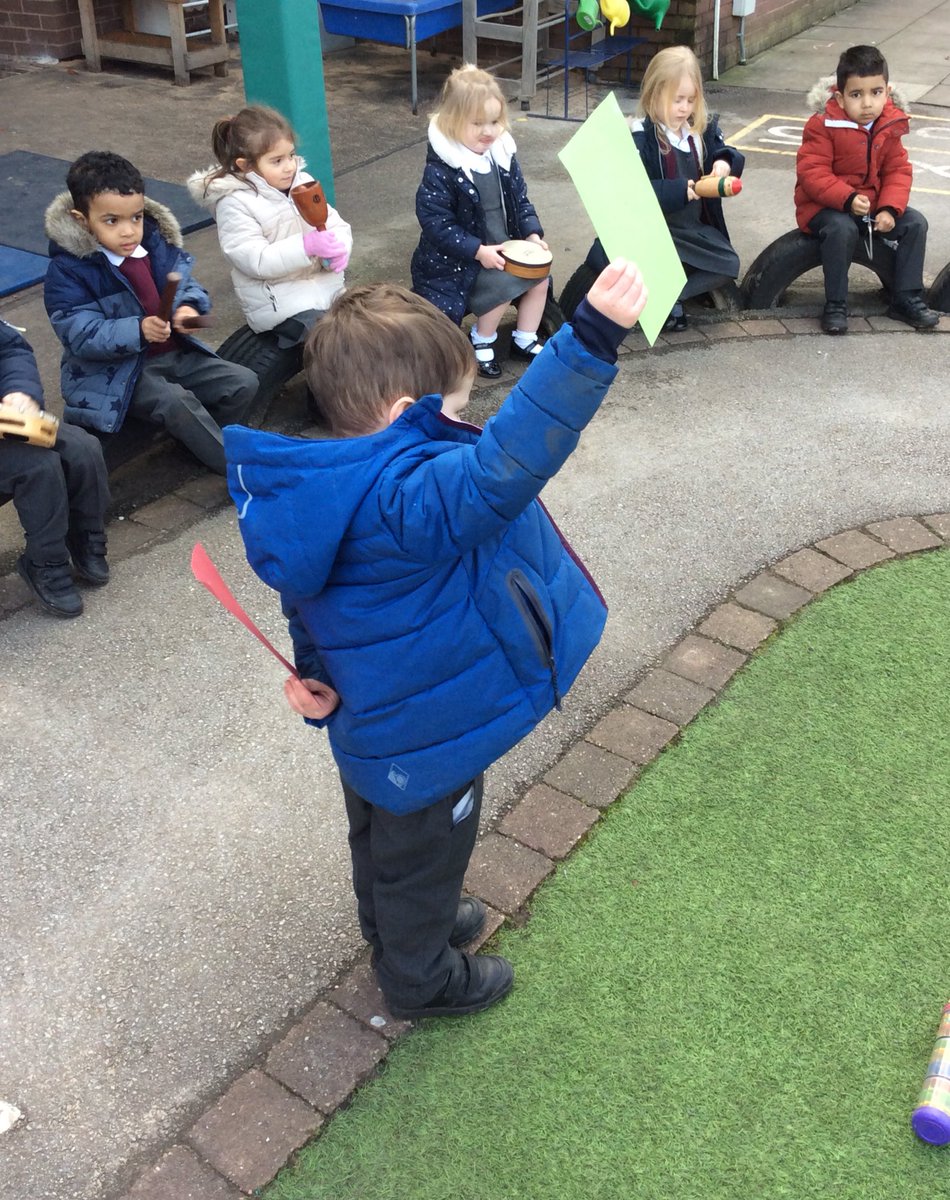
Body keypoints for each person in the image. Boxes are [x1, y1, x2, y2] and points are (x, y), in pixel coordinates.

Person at [224, 260, 647, 1020]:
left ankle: (395, 930)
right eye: (453, 406)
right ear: (399, 412)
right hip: (426, 740)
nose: (466, 419)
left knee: (387, 846)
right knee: (424, 855)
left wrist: (312, 675)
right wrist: (587, 341)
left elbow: (309, 604)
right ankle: (420, 979)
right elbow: (499, 472)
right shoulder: (407, 497)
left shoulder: (324, 491)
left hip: (375, 727)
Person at [44, 151, 259, 475]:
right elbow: (80, 334)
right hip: (118, 374)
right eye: (112, 221)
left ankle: (199, 446)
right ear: (81, 219)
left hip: (174, 356)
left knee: (244, 382)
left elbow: (188, 284)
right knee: (175, 402)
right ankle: (238, 472)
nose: (129, 231)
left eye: (137, 217)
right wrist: (139, 330)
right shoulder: (70, 270)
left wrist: (187, 308)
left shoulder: (155, 246)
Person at [410, 64, 550, 379]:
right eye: (477, 123)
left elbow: (521, 200)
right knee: (502, 286)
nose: (488, 131)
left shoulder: (501, 156)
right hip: (458, 261)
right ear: (452, 122)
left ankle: (524, 338)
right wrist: (477, 250)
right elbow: (436, 223)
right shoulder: (444, 168)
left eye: (494, 121)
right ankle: (481, 340)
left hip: (504, 248)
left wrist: (530, 233)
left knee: (540, 278)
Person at [795, 44, 941, 336]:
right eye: (856, 95)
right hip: (825, 208)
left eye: (876, 93)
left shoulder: (889, 124)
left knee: (915, 224)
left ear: (887, 91)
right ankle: (836, 303)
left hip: (871, 206)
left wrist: (889, 208)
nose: (867, 104)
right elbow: (813, 172)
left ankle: (905, 297)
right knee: (841, 230)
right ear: (839, 96)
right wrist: (846, 198)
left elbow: (897, 170)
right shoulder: (823, 125)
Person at [187, 105, 352, 350]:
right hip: (281, 304)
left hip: (326, 289)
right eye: (277, 161)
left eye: (291, 156)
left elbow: (336, 224)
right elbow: (255, 260)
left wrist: (340, 248)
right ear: (246, 166)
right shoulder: (234, 203)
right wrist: (305, 247)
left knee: (366, 324)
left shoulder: (303, 183)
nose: (289, 166)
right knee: (329, 341)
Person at [0, 319, 109, 618]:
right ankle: (45, 563)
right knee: (38, 467)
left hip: (6, 421)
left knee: (83, 447)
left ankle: (84, 535)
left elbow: (10, 348)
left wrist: (19, 391)